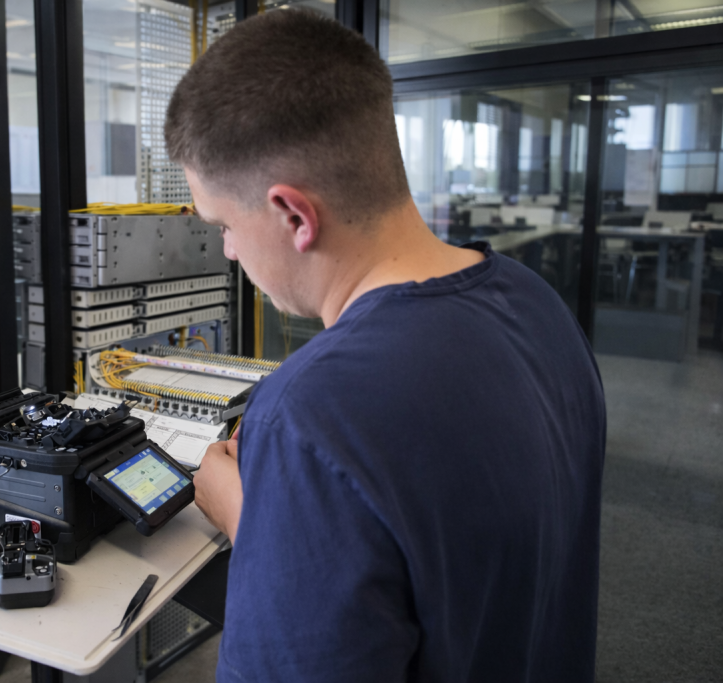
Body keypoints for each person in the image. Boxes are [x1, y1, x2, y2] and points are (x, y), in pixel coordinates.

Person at [165, 9, 606, 683]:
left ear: (293, 215)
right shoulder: (538, 304)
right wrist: (290, 521)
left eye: (223, 223)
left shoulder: (310, 415)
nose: (227, 249)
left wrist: (251, 523)